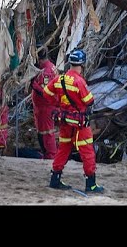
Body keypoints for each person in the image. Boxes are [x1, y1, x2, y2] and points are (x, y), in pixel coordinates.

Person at [43, 49, 104, 193]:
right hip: (80, 124)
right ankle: (91, 184)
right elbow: (89, 101)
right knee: (87, 152)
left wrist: (58, 103)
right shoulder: (79, 81)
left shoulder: (60, 79)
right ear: (82, 64)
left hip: (64, 121)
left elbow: (46, 92)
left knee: (63, 149)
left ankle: (55, 179)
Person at [30, 44, 58, 159]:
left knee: (47, 133)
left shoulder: (46, 71)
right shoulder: (49, 67)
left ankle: (51, 155)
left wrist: (33, 85)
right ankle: (47, 154)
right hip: (41, 107)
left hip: (46, 107)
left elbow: (45, 92)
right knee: (42, 132)